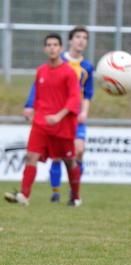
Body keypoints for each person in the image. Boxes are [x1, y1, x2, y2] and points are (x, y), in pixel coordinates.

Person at [5, 33, 82, 207]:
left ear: (61, 48)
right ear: (44, 49)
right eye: (49, 45)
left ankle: (75, 196)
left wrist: (58, 116)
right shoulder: (41, 71)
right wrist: (31, 107)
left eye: (55, 45)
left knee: (69, 161)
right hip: (41, 123)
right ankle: (24, 196)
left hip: (62, 125)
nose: (52, 48)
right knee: (31, 155)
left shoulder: (69, 73)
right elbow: (38, 94)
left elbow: (73, 99)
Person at [23, 26, 94, 203]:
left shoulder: (87, 67)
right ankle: (54, 192)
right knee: (55, 157)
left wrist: (84, 111)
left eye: (84, 38)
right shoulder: (55, 62)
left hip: (72, 117)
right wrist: (30, 105)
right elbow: (38, 86)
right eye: (77, 37)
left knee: (77, 153)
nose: (81, 41)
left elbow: (87, 94)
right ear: (69, 41)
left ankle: (74, 192)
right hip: (51, 117)